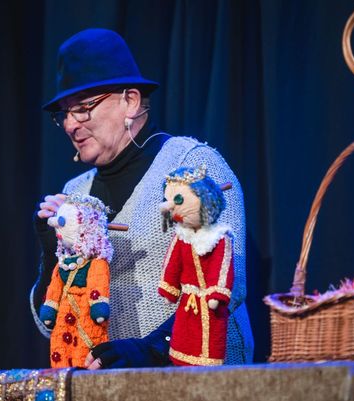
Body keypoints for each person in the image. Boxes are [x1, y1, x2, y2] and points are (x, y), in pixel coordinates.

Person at [30, 28, 254, 369]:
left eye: (83, 108)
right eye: (64, 114)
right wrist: (51, 256)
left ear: (131, 101)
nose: (71, 125)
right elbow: (50, 325)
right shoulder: (75, 195)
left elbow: (226, 282)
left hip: (200, 379)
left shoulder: (192, 167)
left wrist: (152, 349)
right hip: (109, 386)